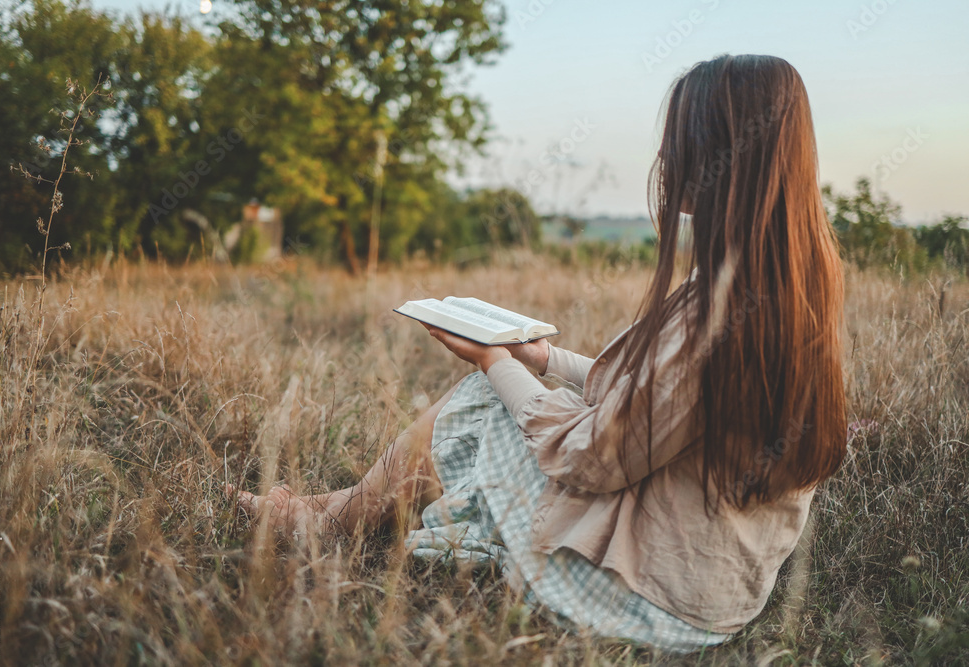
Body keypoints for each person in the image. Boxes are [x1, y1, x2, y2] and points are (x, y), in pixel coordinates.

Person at [226, 53, 847, 653]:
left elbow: (592, 458)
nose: (665, 158)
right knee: (519, 390)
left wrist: (493, 363)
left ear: (720, 158)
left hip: (642, 603)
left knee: (482, 399)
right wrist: (541, 359)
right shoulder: (790, 288)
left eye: (679, 140)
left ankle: (329, 522)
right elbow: (643, 401)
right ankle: (337, 512)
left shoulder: (717, 313)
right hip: (715, 601)